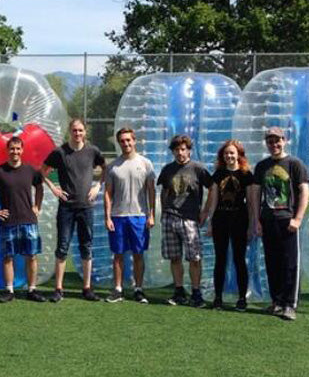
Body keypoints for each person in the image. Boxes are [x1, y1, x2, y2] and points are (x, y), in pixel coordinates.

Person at [41, 118, 105, 302]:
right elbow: (42, 170)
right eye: (74, 130)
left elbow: (105, 168)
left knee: (87, 247)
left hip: (86, 208)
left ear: (85, 132)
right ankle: (58, 289)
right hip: (66, 208)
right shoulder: (60, 152)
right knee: (62, 247)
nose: (77, 134)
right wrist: (53, 187)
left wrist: (97, 186)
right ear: (70, 131)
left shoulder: (92, 151)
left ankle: (87, 288)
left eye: (81, 130)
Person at [251, 127, 309, 321]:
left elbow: (304, 191)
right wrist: (256, 220)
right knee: (272, 262)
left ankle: (289, 304)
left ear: (284, 140)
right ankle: (276, 301)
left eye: (277, 141)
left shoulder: (294, 164)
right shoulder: (262, 166)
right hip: (268, 220)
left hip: (287, 220)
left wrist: (298, 218)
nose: (274, 145)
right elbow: (256, 194)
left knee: (290, 263)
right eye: (270, 141)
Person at [0, 136, 46, 303]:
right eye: (12, 149)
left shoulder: (30, 170)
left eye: (18, 149)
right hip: (8, 222)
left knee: (31, 256)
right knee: (8, 257)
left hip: (29, 220)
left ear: (22, 150)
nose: (15, 152)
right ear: (7, 150)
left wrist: (37, 206)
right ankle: (9, 290)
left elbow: (40, 187)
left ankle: (32, 289)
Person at [157, 134, 215, 308]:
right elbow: (164, 191)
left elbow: (213, 187)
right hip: (170, 218)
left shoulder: (198, 169)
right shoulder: (168, 169)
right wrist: (164, 211)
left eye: (183, 149)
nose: (180, 153)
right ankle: (179, 291)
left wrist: (205, 211)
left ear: (189, 150)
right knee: (175, 257)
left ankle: (196, 293)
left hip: (189, 219)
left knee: (194, 258)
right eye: (176, 150)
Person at [104, 128, 155, 303]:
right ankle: (118, 289)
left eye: (128, 140)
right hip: (118, 216)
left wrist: (151, 215)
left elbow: (151, 191)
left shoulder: (146, 163)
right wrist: (108, 217)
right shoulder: (113, 166)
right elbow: (108, 193)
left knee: (138, 253)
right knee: (118, 254)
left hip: (139, 216)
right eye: (122, 141)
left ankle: (138, 289)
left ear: (134, 141)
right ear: (119, 143)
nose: (126, 143)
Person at [206, 140, 254, 312]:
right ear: (222, 156)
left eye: (232, 153)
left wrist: (252, 224)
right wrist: (210, 222)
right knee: (220, 259)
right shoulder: (218, 174)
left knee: (239, 260)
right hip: (221, 220)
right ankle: (217, 298)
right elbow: (213, 202)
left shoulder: (246, 175)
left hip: (240, 221)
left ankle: (242, 299)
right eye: (226, 153)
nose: (229, 156)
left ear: (239, 155)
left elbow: (250, 202)